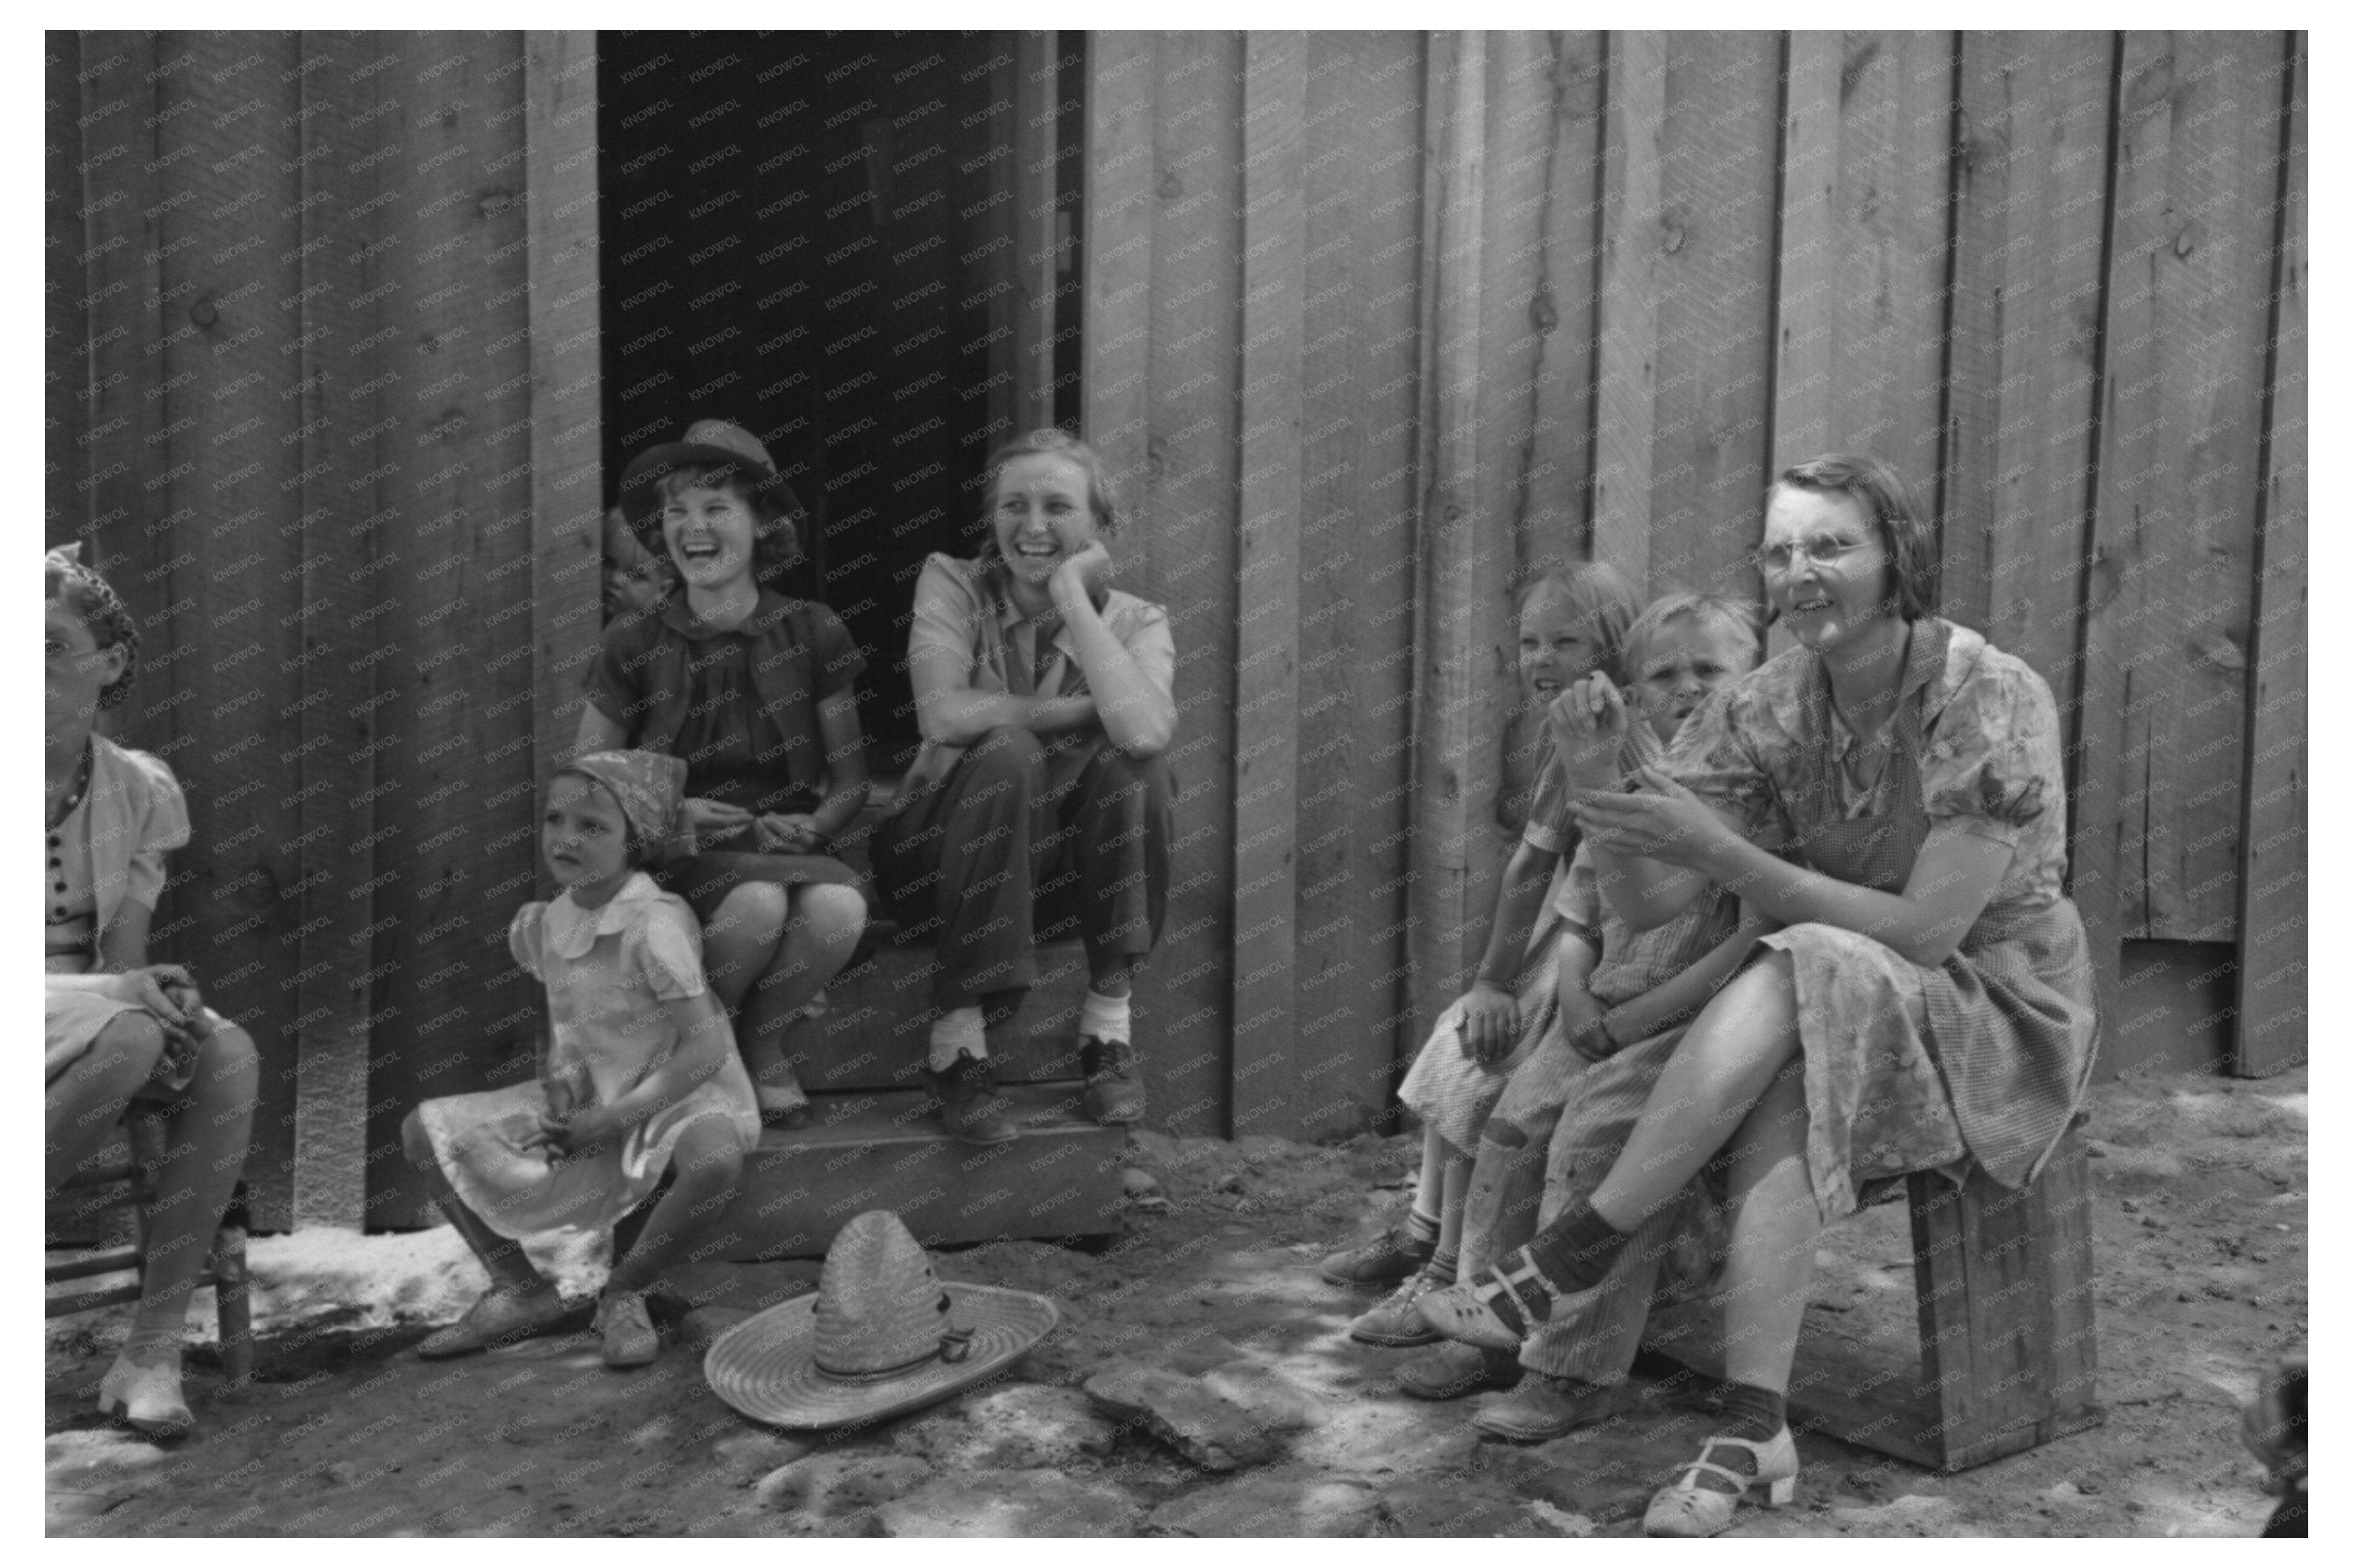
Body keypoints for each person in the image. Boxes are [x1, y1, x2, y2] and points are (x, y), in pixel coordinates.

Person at [1417, 454, 2098, 1536]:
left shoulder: (1987, 692)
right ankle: (1753, 1426)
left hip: (1990, 1000)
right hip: (1821, 992)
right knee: (1788, 1056)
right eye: (1781, 552)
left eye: (1831, 545)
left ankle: (1569, 1256)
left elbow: (1929, 930)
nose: (1800, 571)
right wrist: (1598, 773)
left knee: (1807, 956)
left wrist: (1743, 870)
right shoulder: (1763, 702)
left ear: (1897, 559)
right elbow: (1649, 900)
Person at [1388, 594, 1771, 1442]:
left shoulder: (1761, 793)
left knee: (1593, 1142)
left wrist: (1641, 1014)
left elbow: (1752, 947)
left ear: (1755, 682)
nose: (1688, 689)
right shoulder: (1631, 786)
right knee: (1511, 1125)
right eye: (1664, 675)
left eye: (1709, 670)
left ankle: (1573, 1369)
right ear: (1633, 696)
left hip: (1692, 1017)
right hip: (1596, 1001)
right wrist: (1573, 994)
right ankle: (1485, 1325)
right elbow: (1579, 909)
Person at [1319, 565, 1639, 1314]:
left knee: (1480, 1062)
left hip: (1601, 939)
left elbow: (1532, 866)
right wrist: (1491, 983)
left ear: (1614, 649)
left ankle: (1446, 1269)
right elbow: (1537, 857)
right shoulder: (1568, 727)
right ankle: (1423, 1228)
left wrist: (1495, 980)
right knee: (1458, 1035)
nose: (1540, 659)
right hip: (1577, 927)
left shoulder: (1597, 732)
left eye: (1565, 641)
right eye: (1528, 642)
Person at [401, 751, 760, 1369]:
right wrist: (565, 1090)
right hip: (602, 1091)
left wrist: (616, 1118)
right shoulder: (550, 921)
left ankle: (625, 1292)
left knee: (715, 1158)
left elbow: (705, 1048)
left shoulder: (655, 926)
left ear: (636, 841)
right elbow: (569, 1029)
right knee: (421, 1130)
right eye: (555, 819)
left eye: (592, 827)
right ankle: (522, 1290)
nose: (566, 838)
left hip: (680, 1092)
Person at [871, 428, 1177, 1144]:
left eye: (1057, 507)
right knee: (1005, 750)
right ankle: (958, 1046)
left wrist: (1072, 596)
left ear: (1101, 529)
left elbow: (1143, 736)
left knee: (1135, 769)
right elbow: (944, 713)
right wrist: (1086, 708)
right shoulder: (951, 581)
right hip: (929, 867)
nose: (1031, 527)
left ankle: (1106, 1031)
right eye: (1013, 505)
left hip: (1048, 887)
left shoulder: (1135, 620)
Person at [576, 420, 869, 1127]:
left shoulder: (814, 629)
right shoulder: (634, 640)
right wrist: (670, 819)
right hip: (678, 859)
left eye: (716, 509)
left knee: (841, 911)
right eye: (677, 512)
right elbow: (587, 783)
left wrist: (818, 825)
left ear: (762, 523)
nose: (693, 528)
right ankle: (708, 1051)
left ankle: (758, 1041)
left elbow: (852, 781)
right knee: (758, 905)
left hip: (789, 850)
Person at [43, 545, 260, 1438]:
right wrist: (127, 1000)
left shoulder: (135, 788)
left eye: (50, 646)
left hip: (82, 1004)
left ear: (112, 664)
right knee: (128, 1038)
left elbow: (122, 949)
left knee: (223, 1049)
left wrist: (157, 991)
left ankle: (152, 1350)